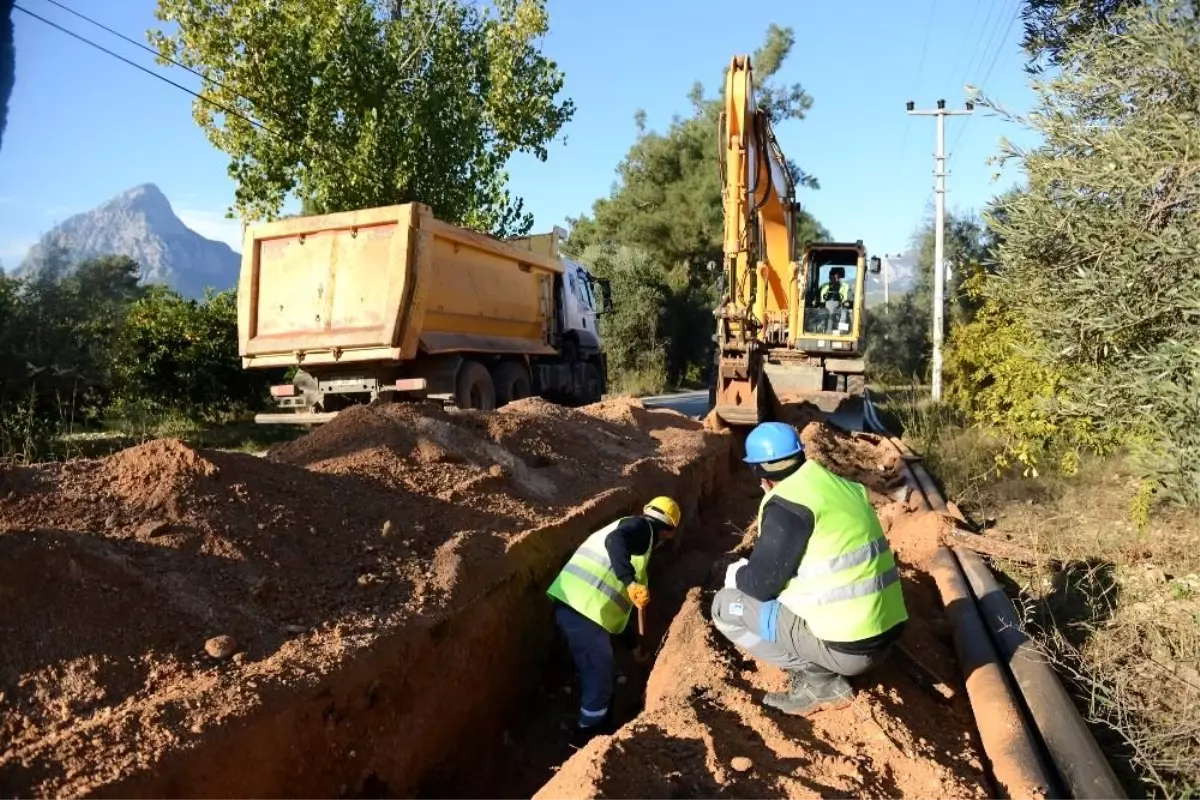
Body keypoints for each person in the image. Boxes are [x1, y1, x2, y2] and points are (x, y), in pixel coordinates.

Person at [711, 422, 907, 716]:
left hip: (849, 651)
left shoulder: (788, 504)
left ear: (759, 473)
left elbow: (760, 586)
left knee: (725, 606)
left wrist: (735, 573)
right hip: (885, 636)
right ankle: (824, 665)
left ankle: (820, 681)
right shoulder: (842, 488)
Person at [547, 496, 682, 745]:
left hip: (581, 610)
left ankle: (604, 725)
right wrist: (630, 582)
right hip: (581, 612)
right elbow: (615, 541)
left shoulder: (637, 537)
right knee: (600, 681)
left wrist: (634, 649)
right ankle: (586, 740)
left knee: (600, 673)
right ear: (669, 532)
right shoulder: (642, 530)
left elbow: (618, 615)